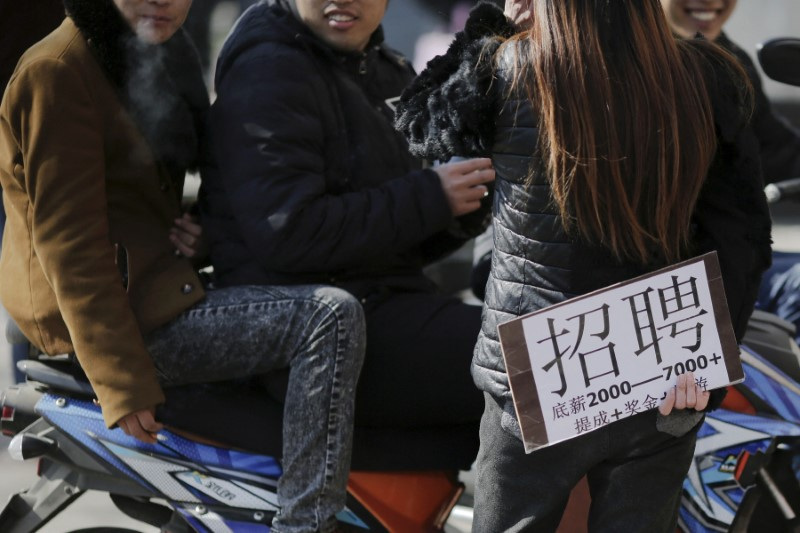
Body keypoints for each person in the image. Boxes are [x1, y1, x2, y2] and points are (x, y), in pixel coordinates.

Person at [395, 1, 772, 531]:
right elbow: (743, 238)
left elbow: (419, 124)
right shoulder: (705, 75)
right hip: (662, 371)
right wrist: (704, 362)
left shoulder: (505, 67)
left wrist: (496, 23)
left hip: (536, 374)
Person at [0, 1, 366, 532]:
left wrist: (200, 230)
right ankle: (304, 524)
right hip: (110, 322)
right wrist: (121, 382)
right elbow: (70, 246)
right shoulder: (56, 70)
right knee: (328, 317)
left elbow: (171, 182)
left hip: (158, 282)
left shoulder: (162, 47)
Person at [200, 0, 493, 433]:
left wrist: (462, 207)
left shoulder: (384, 67)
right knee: (543, 362)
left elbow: (393, 241)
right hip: (320, 328)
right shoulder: (269, 69)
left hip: (384, 300)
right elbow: (291, 233)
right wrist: (431, 195)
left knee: (555, 350)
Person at [660, 0, 800, 342]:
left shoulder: (729, 59)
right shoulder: (621, 68)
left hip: (729, 258)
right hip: (657, 273)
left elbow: (776, 149)